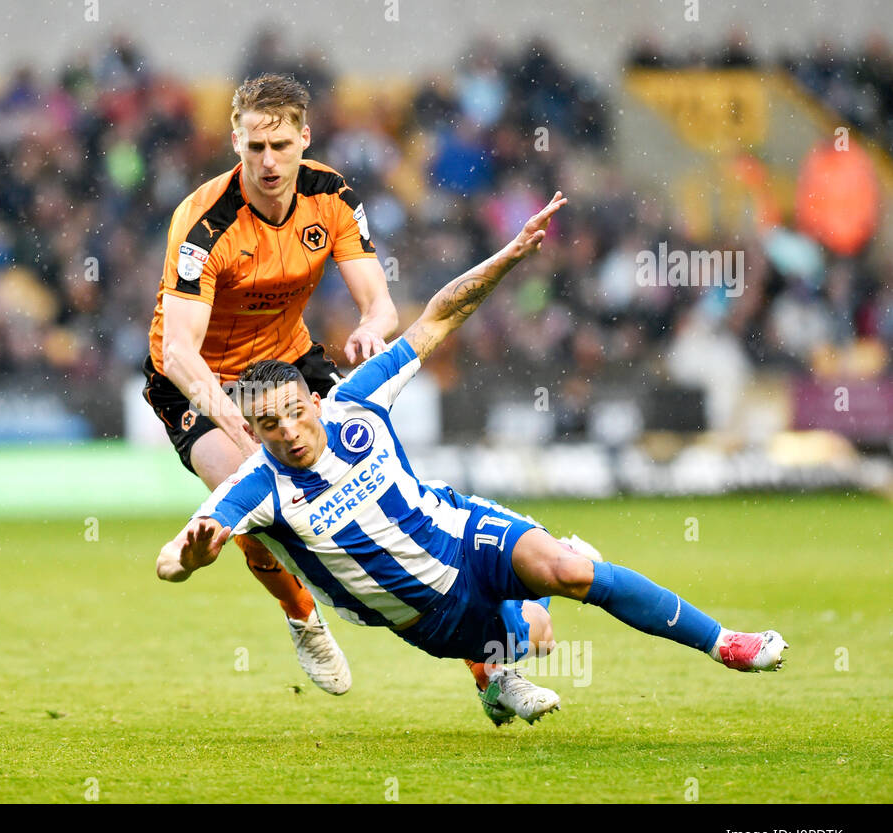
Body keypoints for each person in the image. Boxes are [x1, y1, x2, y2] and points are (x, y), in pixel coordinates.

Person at [155, 192, 788, 725]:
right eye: (269, 424)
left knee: (570, 574)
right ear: (254, 431)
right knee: (539, 636)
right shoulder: (256, 487)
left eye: (297, 412)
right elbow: (168, 564)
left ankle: (723, 642)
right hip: (435, 617)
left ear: (312, 401)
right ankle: (495, 672)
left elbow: (438, 317)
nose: (290, 431)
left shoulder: (356, 400)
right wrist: (191, 553)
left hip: (465, 531)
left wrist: (509, 257)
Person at [143, 73, 399, 695]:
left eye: (281, 146)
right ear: (236, 142)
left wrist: (370, 328)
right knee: (253, 503)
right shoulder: (205, 223)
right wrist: (238, 427)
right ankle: (302, 615)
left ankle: (485, 663)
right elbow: (178, 351)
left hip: (288, 363)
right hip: (197, 379)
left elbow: (383, 306)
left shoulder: (332, 195)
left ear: (303, 139)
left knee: (377, 494)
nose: (269, 162)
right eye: (255, 147)